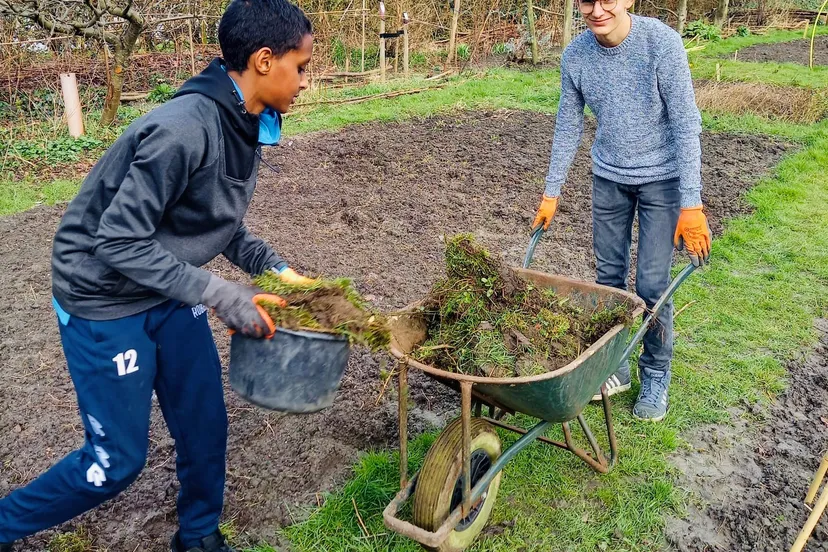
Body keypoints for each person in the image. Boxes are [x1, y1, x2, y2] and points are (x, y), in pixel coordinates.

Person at [0, 1, 316, 550]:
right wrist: (220, 292)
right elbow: (117, 239)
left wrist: (275, 268)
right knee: (116, 462)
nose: (307, 81)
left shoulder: (246, 122)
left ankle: (197, 537)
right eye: (303, 65)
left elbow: (210, 223)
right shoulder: (180, 130)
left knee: (204, 423)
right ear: (265, 60)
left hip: (166, 283)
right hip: (103, 296)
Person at [531, 0, 711, 422]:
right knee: (608, 282)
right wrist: (551, 192)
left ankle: (655, 373)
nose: (596, 10)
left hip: (662, 180)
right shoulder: (576, 55)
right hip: (608, 177)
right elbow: (567, 123)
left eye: (606, 0)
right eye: (586, 1)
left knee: (651, 285)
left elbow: (686, 121)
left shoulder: (661, 43)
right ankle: (616, 368)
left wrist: (692, 203)